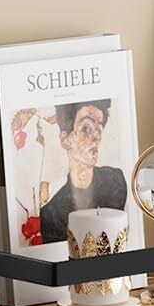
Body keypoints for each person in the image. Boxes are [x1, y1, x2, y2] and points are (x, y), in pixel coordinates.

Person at [38, 100, 127, 242]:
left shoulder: (115, 181)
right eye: (86, 128)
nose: (97, 137)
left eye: (99, 129)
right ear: (65, 140)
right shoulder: (52, 213)